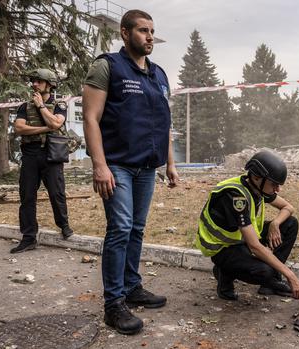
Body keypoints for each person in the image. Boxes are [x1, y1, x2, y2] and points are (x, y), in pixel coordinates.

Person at [82, 9, 178, 335]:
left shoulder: (159, 75)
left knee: (137, 228)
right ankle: (113, 303)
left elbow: (164, 123)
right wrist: (99, 165)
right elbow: (90, 118)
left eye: (152, 31)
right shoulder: (107, 66)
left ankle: (132, 287)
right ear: (124, 33)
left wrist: (170, 163)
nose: (149, 36)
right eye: (142, 30)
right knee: (121, 227)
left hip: (147, 168)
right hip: (117, 166)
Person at [196, 151, 299, 301]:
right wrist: (291, 275)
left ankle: (270, 283)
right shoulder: (235, 196)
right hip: (223, 248)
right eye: (274, 184)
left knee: (290, 224)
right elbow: (254, 246)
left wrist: (275, 223)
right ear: (257, 177)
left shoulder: (257, 187)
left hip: (242, 240)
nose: (278, 189)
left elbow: (288, 207)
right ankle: (224, 273)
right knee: (264, 271)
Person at [11, 69, 73, 254]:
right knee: (27, 196)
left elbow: (57, 124)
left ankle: (64, 225)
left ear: (49, 84)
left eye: (38, 81)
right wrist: (46, 127)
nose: (34, 84)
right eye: (33, 81)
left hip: (52, 154)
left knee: (57, 193)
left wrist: (41, 107)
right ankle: (29, 237)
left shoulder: (59, 104)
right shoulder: (24, 106)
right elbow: (19, 128)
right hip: (30, 154)